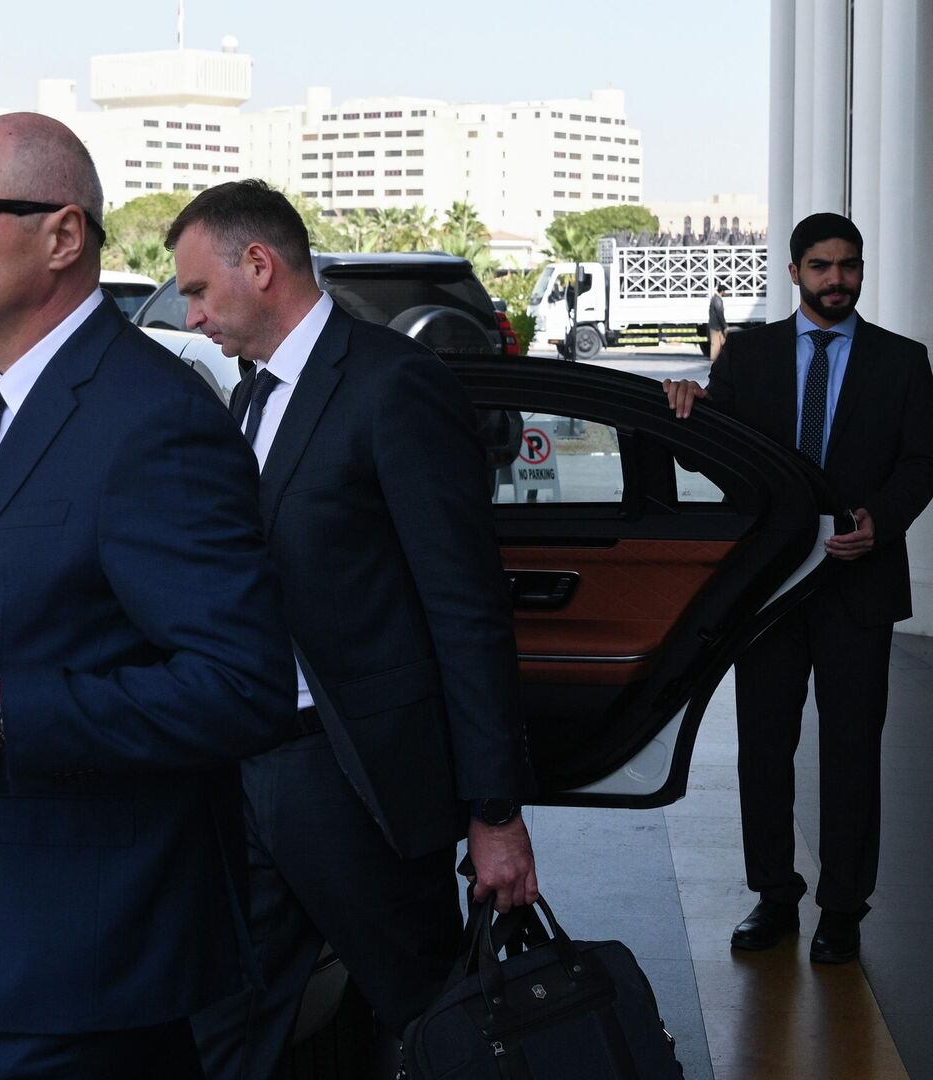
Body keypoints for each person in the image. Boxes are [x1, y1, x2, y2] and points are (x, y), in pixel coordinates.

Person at [0, 115, 298, 1079]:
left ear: (63, 236)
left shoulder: (151, 418)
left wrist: (3, 710)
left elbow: (243, 687)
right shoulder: (1, 397)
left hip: (90, 958)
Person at [166, 181, 539, 1080]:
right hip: (247, 767)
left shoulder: (393, 384)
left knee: (430, 1022)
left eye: (198, 290)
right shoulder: (248, 397)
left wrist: (495, 811)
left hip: (356, 783)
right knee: (222, 1024)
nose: (191, 316)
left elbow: (465, 606)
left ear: (260, 266)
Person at [664, 212, 933, 964]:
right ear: (794, 273)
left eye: (849, 265)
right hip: (772, 588)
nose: (836, 280)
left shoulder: (902, 361)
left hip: (859, 584)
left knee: (852, 752)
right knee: (763, 747)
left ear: (861, 270)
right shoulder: (747, 356)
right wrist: (689, 413)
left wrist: (880, 519)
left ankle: (843, 909)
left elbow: (922, 461)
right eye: (821, 266)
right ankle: (774, 896)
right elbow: (719, 460)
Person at [708, 284, 729, 360]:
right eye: (724, 291)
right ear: (722, 291)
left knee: (722, 342)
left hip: (716, 326)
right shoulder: (717, 300)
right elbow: (719, 313)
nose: (725, 293)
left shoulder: (715, 299)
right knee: (716, 344)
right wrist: (725, 326)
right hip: (716, 326)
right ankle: (714, 360)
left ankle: (722, 359)